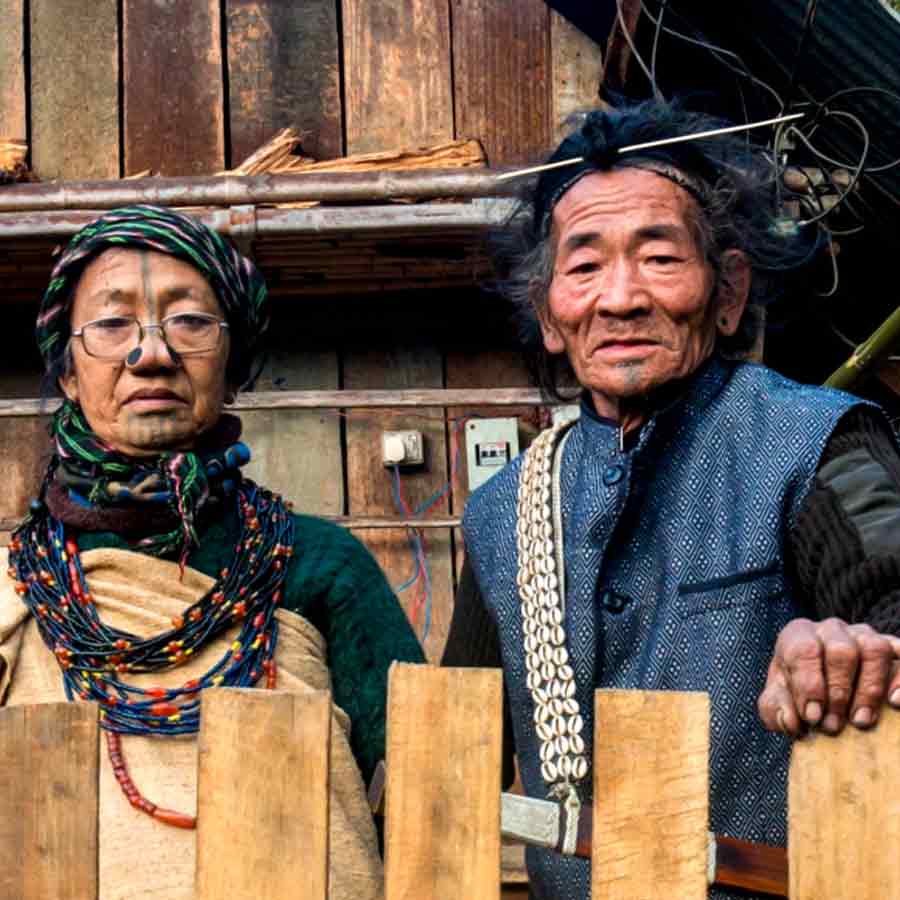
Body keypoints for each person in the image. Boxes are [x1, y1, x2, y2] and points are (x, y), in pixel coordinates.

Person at [443, 101, 900, 900]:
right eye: (583, 268)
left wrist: (840, 646)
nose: (620, 298)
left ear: (728, 292)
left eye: (658, 258)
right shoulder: (504, 512)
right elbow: (454, 746)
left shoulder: (831, 446)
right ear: (551, 314)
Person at [0, 205, 424, 900]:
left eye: (190, 321)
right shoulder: (17, 587)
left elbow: (431, 784)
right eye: (111, 325)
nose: (152, 353)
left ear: (233, 368)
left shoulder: (319, 565)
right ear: (69, 375)